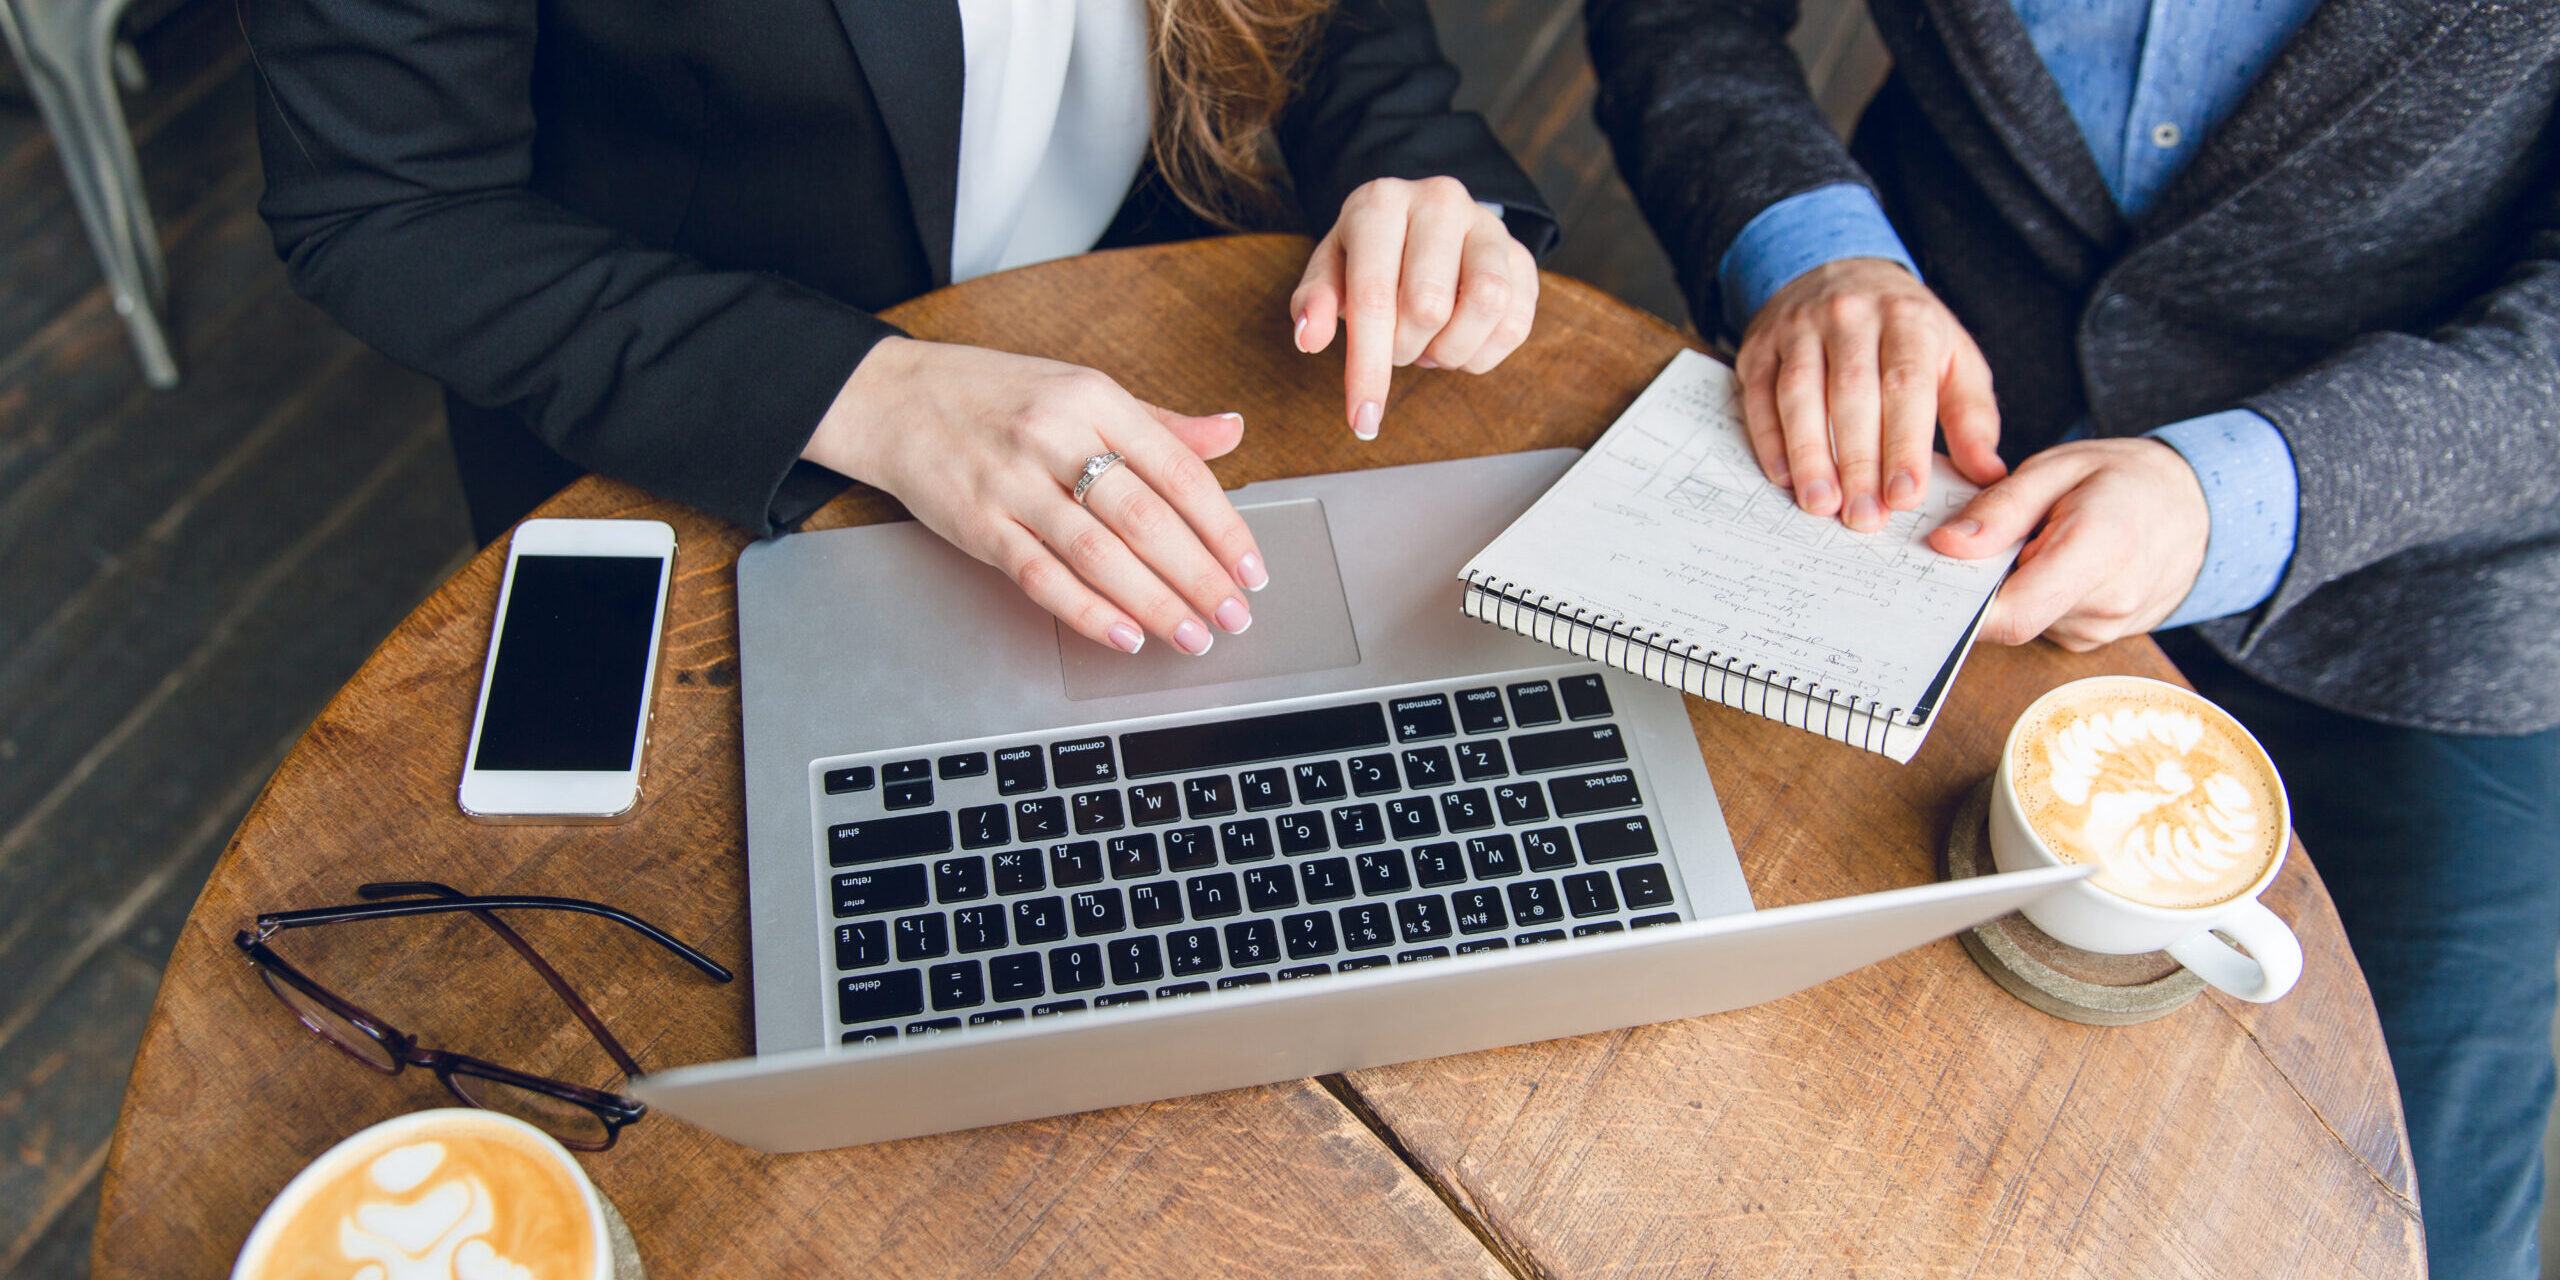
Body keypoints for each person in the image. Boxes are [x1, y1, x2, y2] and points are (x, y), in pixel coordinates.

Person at [1587, 2, 2560, 1275]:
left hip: (2420, 592)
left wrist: (2241, 490)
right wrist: (1811, 245)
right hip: (1918, 477)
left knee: (2428, 1231)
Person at [241, 0, 1552, 658]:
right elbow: (389, 205)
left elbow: (1354, 27)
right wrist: (872, 393)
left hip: (1172, 317)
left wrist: (1423, 176)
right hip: (721, 404)